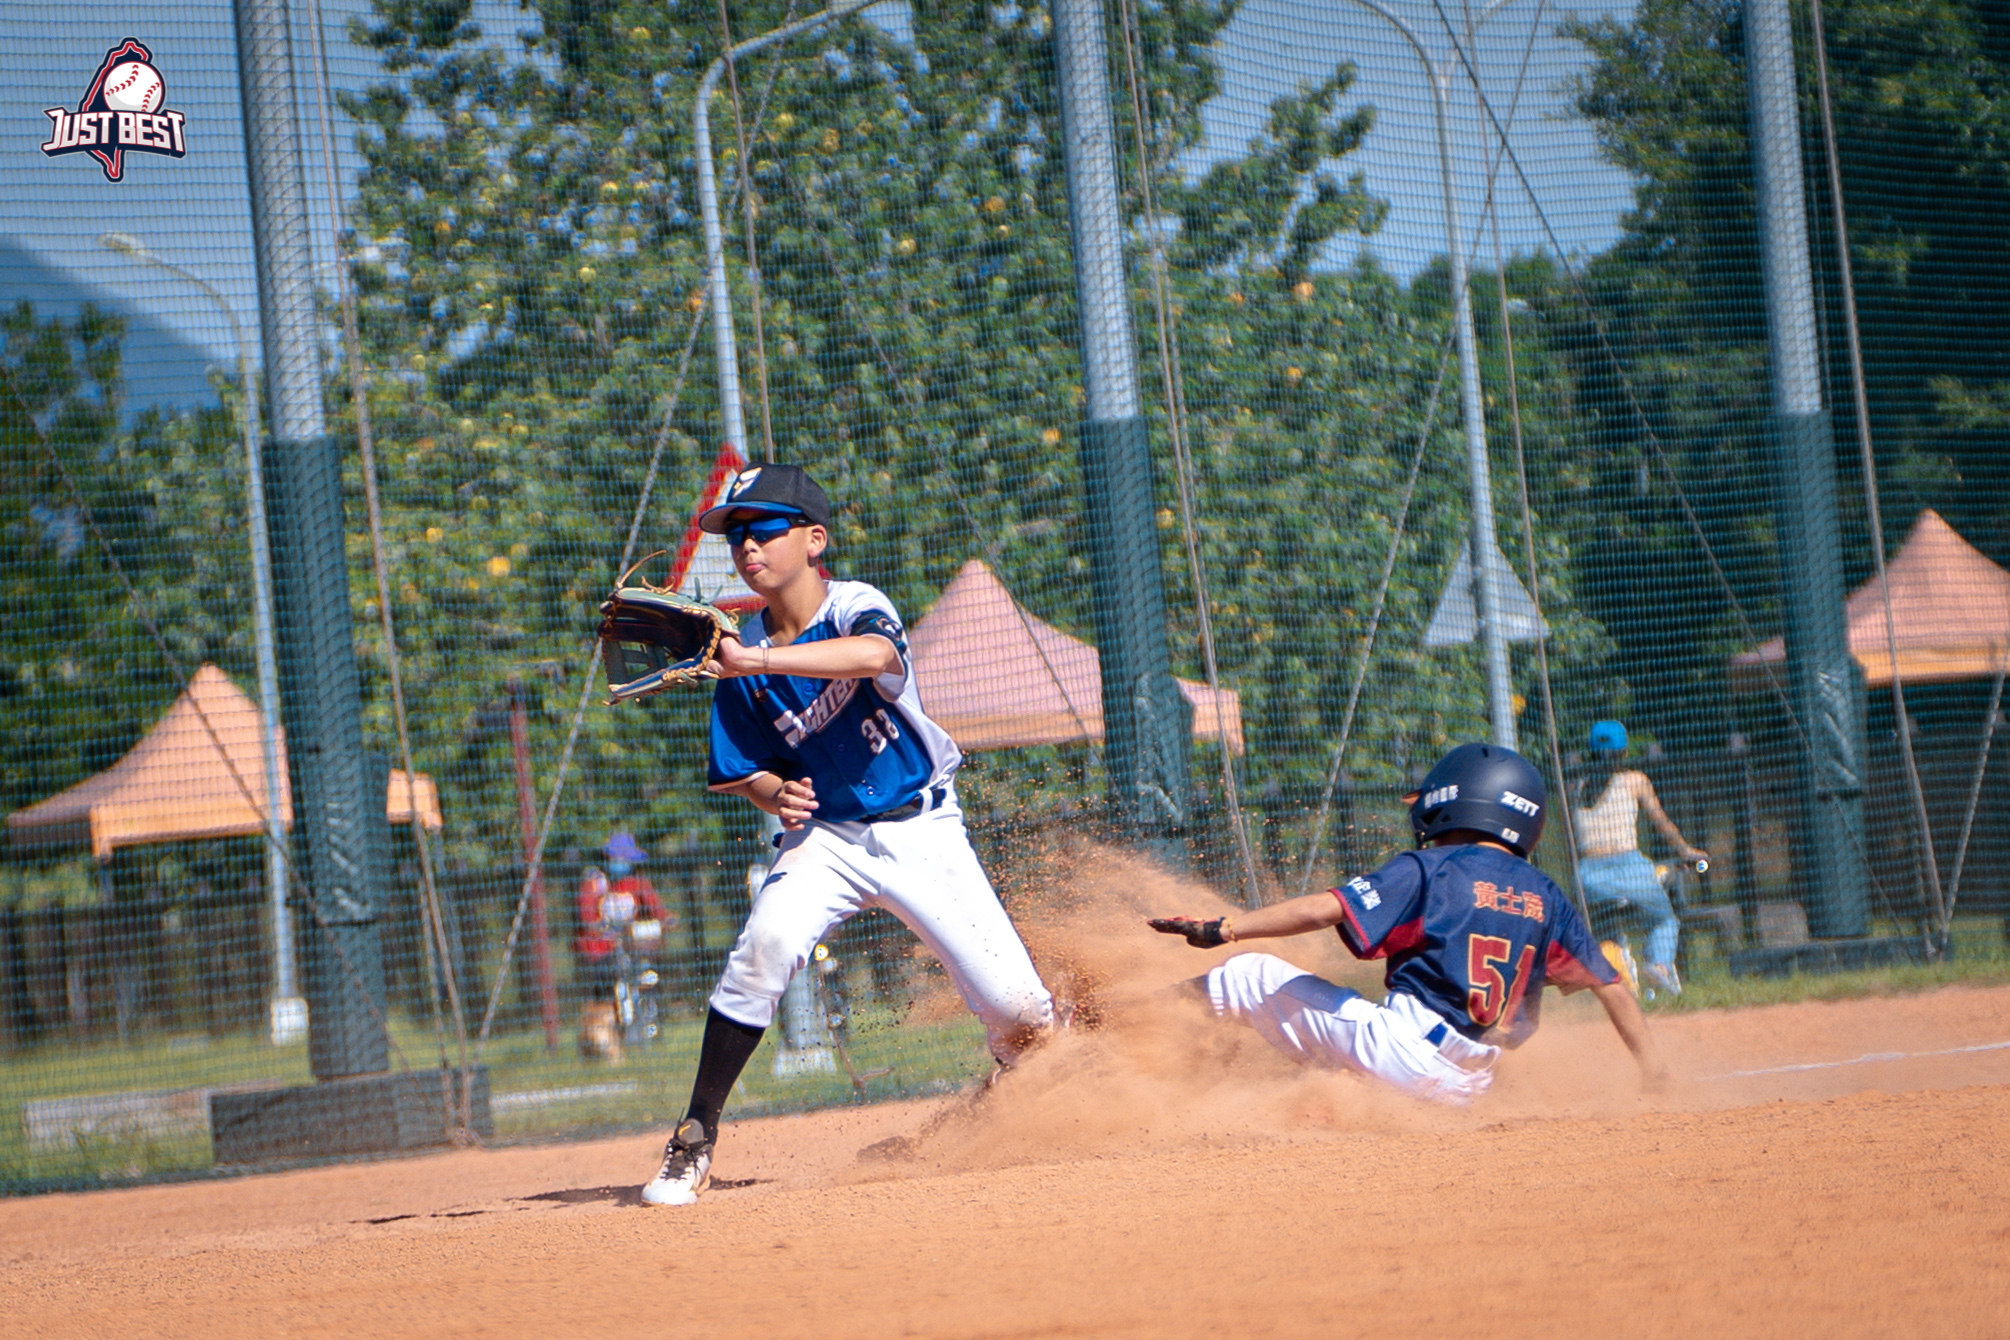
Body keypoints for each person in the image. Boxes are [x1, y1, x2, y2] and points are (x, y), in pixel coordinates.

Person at [641, 463, 1055, 1206]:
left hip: (921, 828)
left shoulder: (853, 606)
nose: (747, 548)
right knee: (763, 949)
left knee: (1020, 1014)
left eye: (763, 531)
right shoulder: (741, 657)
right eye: (736, 536)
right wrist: (775, 791)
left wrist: (754, 659)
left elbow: (877, 657)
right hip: (829, 839)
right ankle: (694, 1135)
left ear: (813, 539)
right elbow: (740, 771)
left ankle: (1021, 1079)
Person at [1148, 743, 1667, 1105]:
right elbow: (1613, 988)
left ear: (1458, 803)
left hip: (1404, 1051)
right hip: (1470, 1085)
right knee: (1346, 1055)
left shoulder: (1433, 867)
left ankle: (1100, 1017)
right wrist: (1653, 1073)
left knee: (1247, 976)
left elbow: (1322, 909)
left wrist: (1225, 929)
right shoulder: (1546, 897)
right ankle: (1332, 1104)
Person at [1572, 721, 1707, 997]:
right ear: (1623, 752)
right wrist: (1686, 851)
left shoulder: (1575, 786)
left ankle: (1623, 981)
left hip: (1588, 875)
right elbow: (1662, 823)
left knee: (1607, 931)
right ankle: (1659, 966)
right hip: (1629, 866)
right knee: (1663, 920)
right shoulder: (1635, 780)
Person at [575, 832, 670, 1059]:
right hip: (600, 953)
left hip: (629, 948)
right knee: (609, 990)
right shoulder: (595, 881)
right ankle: (611, 1037)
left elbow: (658, 908)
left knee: (646, 976)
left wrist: (665, 919)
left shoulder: (636, 881)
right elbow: (587, 918)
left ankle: (645, 1027)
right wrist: (603, 929)